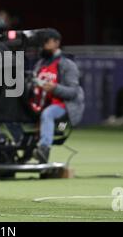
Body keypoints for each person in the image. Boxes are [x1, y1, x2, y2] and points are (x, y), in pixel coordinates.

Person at [31, 29, 84, 164]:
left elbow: (73, 92)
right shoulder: (40, 64)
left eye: (46, 43)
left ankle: (44, 149)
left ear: (56, 43)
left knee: (47, 114)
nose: (43, 46)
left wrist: (55, 88)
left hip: (62, 107)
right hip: (40, 104)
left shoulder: (67, 64)